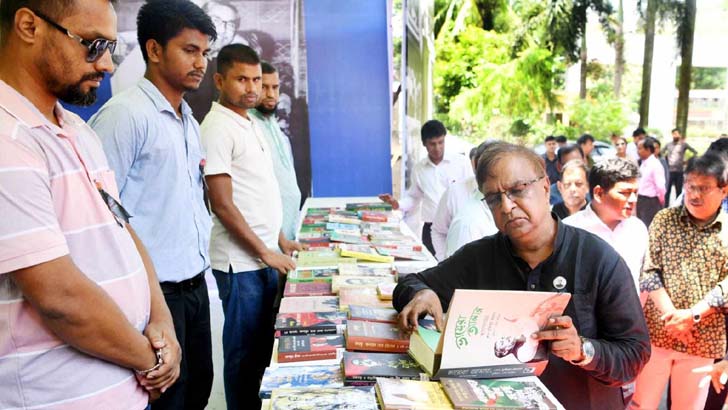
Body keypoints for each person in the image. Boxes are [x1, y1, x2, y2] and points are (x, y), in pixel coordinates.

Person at [0, 0, 181, 408]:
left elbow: (122, 229)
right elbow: (59, 298)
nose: (108, 66)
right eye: (94, 45)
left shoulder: (78, 129)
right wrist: (149, 358)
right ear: (29, 26)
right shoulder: (7, 140)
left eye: (111, 49)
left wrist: (161, 320)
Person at [393, 142, 650, 409]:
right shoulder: (480, 258)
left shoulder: (598, 260)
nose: (506, 206)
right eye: (494, 198)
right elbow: (410, 283)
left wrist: (583, 349)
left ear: (546, 186)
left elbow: (635, 354)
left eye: (517, 190)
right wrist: (422, 293)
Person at [88, 1, 217, 408]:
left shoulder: (188, 121)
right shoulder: (124, 116)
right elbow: (100, 212)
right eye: (190, 50)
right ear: (155, 49)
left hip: (194, 286)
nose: (201, 62)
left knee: (197, 392)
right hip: (153, 296)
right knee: (167, 400)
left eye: (205, 52)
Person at [200, 44, 302, 409]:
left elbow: (258, 194)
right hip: (240, 264)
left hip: (263, 257)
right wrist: (265, 252)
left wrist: (280, 240)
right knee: (243, 356)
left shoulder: (249, 121)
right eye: (241, 79)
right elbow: (223, 205)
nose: (251, 88)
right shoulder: (216, 127)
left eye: (256, 79)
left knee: (261, 349)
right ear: (219, 80)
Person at [632, 152, 728, 410]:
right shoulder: (665, 219)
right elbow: (649, 272)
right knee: (642, 404)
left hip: (702, 340)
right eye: (690, 187)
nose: (695, 195)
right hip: (657, 333)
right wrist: (673, 317)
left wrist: (692, 316)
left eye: (704, 188)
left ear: (724, 189)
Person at [379, 120, 471, 256]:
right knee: (433, 270)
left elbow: (473, 193)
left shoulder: (461, 164)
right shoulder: (419, 169)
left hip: (457, 227)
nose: (437, 148)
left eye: (441, 142)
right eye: (432, 144)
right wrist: (397, 204)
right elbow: (414, 197)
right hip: (431, 229)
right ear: (424, 144)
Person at [563, 157, 647, 292]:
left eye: (635, 192)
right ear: (599, 193)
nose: (633, 199)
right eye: (624, 193)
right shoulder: (569, 231)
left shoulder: (638, 229)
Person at [250, 61, 301, 241]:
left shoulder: (274, 127)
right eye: (264, 87)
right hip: (265, 242)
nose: (271, 94)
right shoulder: (248, 126)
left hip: (288, 234)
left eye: (275, 87)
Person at [431, 141, 499, 260]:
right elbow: (438, 231)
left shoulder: (507, 201)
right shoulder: (467, 219)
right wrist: (443, 263)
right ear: (474, 164)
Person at [636, 137, 666, 227]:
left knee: (648, 226)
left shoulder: (655, 165)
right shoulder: (644, 163)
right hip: (641, 200)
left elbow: (660, 186)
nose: (638, 151)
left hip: (650, 202)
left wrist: (660, 201)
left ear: (648, 149)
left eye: (640, 148)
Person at [664, 127, 697, 203]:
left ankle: (679, 207)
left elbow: (695, 152)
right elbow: (662, 153)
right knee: (667, 190)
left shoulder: (683, 145)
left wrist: (687, 161)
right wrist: (666, 160)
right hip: (669, 171)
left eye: (676, 134)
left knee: (678, 191)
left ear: (679, 135)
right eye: (673, 134)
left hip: (679, 171)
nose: (675, 136)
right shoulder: (668, 145)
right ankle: (665, 206)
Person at [653, 139, 671, 205]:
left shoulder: (662, 160)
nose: (655, 150)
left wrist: (664, 189)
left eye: (657, 148)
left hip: (661, 192)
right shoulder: (646, 161)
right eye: (653, 148)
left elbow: (666, 175)